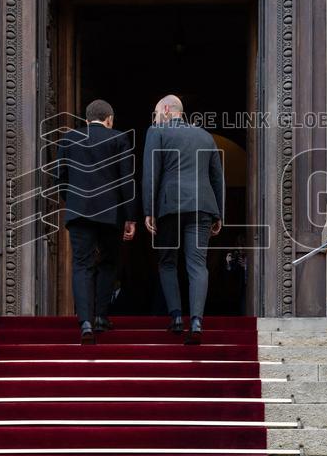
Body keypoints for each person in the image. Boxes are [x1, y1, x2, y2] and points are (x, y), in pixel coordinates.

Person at [142, 95, 224, 344]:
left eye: (156, 112)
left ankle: (177, 317)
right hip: (202, 205)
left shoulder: (157, 130)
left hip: (170, 205)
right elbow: (217, 177)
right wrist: (219, 212)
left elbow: (151, 172)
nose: (155, 117)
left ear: (166, 110)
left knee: (167, 262)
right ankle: (196, 321)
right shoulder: (205, 136)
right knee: (197, 264)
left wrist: (149, 209)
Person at [54, 99, 137, 344]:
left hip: (79, 213)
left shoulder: (68, 139)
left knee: (82, 265)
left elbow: (60, 177)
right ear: (109, 119)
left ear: (87, 119)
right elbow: (126, 180)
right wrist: (130, 217)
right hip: (111, 214)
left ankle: (85, 322)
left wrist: (72, 201)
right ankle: (101, 315)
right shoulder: (119, 138)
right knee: (110, 263)